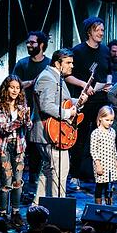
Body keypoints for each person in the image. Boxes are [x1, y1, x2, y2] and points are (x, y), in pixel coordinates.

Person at [29, 49, 88, 203]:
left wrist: (77, 101)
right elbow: (46, 105)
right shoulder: (48, 78)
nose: (72, 66)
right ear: (57, 63)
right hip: (49, 133)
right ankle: (58, 209)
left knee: (48, 171)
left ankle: (38, 206)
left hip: (50, 133)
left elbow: (61, 101)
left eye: (72, 63)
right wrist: (68, 113)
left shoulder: (56, 76)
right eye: (68, 63)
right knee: (59, 173)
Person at [69, 16, 112, 190]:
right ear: (89, 32)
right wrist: (83, 86)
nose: (101, 33)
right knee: (80, 139)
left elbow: (108, 72)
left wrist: (108, 84)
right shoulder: (78, 51)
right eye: (98, 30)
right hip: (84, 100)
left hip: (101, 100)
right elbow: (67, 76)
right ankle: (75, 175)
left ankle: (100, 175)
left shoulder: (105, 51)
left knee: (101, 138)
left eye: (102, 30)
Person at [13, 31, 51, 196]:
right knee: (21, 147)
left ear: (41, 45)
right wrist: (31, 83)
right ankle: (17, 182)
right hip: (23, 112)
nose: (29, 45)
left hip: (42, 113)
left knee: (37, 147)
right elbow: (12, 84)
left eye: (32, 43)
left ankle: (35, 181)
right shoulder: (22, 64)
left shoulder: (49, 65)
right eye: (28, 43)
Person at [0, 75, 33, 222]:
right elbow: (3, 129)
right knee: (6, 182)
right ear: (6, 88)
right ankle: (2, 213)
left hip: (19, 145)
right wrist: (18, 120)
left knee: (18, 181)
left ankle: (16, 212)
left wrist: (27, 119)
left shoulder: (22, 104)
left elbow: (29, 127)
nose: (15, 90)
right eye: (12, 87)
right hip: (4, 146)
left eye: (17, 88)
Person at [90, 105, 117, 205]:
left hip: (110, 163)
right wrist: (98, 164)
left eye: (111, 120)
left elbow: (113, 147)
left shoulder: (113, 132)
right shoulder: (96, 133)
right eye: (107, 120)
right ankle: (98, 206)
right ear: (100, 118)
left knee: (109, 186)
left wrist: (116, 161)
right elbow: (93, 150)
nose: (110, 123)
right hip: (101, 163)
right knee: (100, 186)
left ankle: (109, 205)